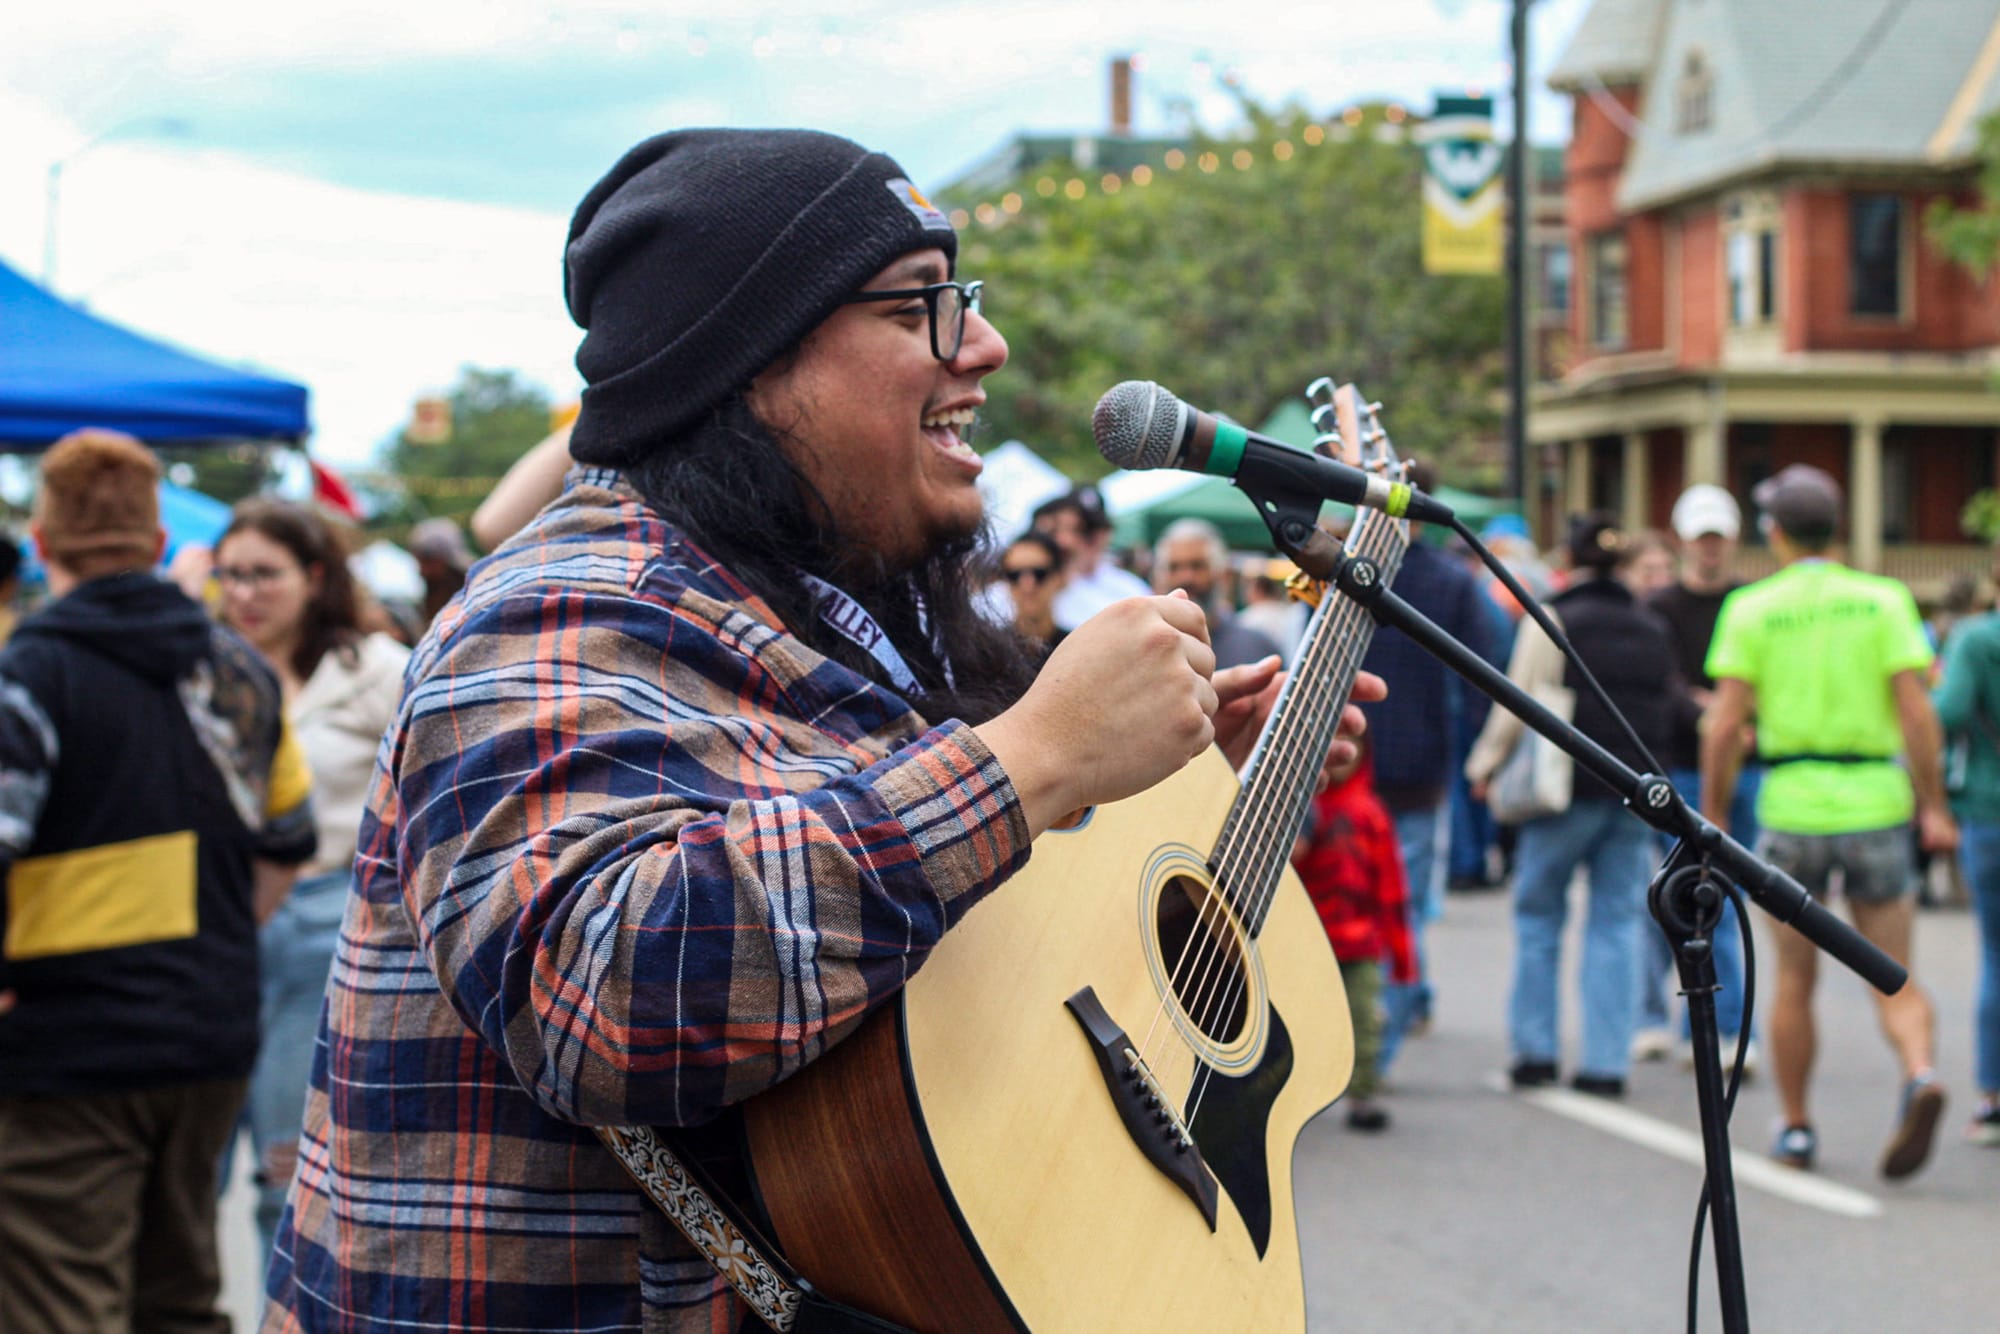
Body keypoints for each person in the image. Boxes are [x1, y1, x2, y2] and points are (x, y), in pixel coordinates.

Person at [262, 127, 1378, 1332]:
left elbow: (936, 968)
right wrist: (1032, 754)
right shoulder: (562, 606)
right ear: (747, 362)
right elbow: (596, 998)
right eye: (919, 310)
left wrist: (1165, 777)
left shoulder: (812, 601)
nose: (982, 346)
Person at [0, 429, 316, 1333]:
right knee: (180, 1300)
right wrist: (210, 952)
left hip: (66, 1052)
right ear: (156, 548)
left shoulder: (28, 674)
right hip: (208, 1036)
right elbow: (288, 841)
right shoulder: (238, 670)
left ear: (45, 547)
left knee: (58, 1305)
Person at [1702, 463, 1957, 1179]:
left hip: (1793, 800)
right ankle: (1919, 1071)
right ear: (1838, 529)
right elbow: (1916, 711)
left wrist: (1715, 816)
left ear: (1774, 533)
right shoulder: (1883, 600)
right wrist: (1934, 804)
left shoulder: (1752, 607)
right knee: (1893, 972)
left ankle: (1796, 1126)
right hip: (1875, 796)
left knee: (1793, 980)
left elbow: (1724, 725)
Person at [212, 499, 411, 1261]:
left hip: (326, 926)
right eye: (230, 576)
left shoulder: (374, 671)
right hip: (222, 930)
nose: (244, 594)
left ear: (314, 576)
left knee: (286, 1169)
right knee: (193, 1173)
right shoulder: (209, 669)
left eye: (265, 575)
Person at [1466, 515, 1675, 1098]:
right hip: (1636, 792)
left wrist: (1484, 765)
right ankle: (1606, 1062)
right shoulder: (1650, 625)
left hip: (1561, 790)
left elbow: (1519, 699)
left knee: (1539, 917)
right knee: (1617, 923)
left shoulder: (1553, 617)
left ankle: (1536, 1050)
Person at [1356, 463, 1498, 1076]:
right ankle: (1399, 1006)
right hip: (1421, 764)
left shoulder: (1349, 568)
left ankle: (1386, 1024)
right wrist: (1472, 754)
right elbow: (1485, 671)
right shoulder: (1452, 581)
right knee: (1405, 896)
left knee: (1372, 896)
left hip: (1356, 764)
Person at [1634, 485, 1761, 1073]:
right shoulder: (1659, 608)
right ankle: (1660, 1018)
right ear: (1685, 542)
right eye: (1701, 539)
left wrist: (1741, 720)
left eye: (1718, 538)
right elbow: (1663, 682)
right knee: (1674, 898)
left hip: (1745, 764)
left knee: (1721, 901)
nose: (1710, 550)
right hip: (1679, 766)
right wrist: (1715, 717)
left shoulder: (1750, 601)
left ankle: (1724, 1025)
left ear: (1731, 540)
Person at [1291, 736, 1415, 1132]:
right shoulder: (1304, 811)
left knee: (1363, 1020)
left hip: (1360, 943)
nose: (1342, 751)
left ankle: (1362, 1095)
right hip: (1309, 942)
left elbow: (1391, 887)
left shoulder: (1370, 813)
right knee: (1296, 1024)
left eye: (1350, 744)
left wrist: (1402, 955)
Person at [1934, 536, 2000, 1145]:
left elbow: (1947, 713)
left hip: (1989, 804)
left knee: (1997, 956)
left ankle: (1993, 1096)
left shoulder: (1978, 638)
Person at [1151, 517, 1282, 670]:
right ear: (1158, 578)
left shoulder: (1256, 648)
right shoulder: (1146, 650)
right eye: (1174, 567)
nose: (1185, 578)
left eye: (1197, 566)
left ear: (1223, 574)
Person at [1034, 484, 1148, 630]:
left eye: (1093, 530)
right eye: (1077, 529)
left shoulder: (1132, 590)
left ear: (1106, 534)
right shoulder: (1031, 585)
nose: (1090, 540)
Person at [997, 529, 1068, 650]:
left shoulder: (1075, 648)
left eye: (1039, 574)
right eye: (1014, 575)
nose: (1027, 586)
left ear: (1060, 578)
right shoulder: (987, 650)